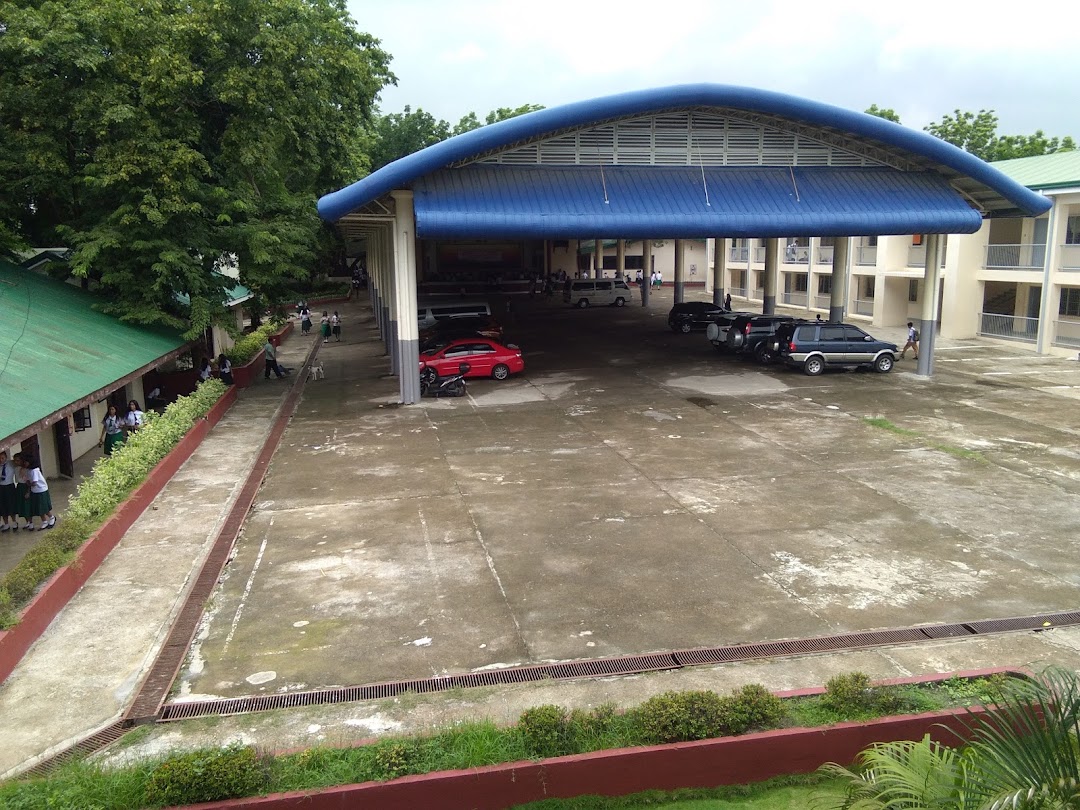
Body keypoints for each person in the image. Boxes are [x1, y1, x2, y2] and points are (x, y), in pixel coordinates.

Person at [22, 454, 55, 530]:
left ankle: (52, 517)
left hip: (41, 490)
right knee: (39, 508)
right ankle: (44, 521)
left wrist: (28, 483)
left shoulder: (34, 470)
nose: (25, 464)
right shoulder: (29, 470)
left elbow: (34, 482)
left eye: (26, 462)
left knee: (44, 507)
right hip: (35, 491)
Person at [0, 450, 17, 532]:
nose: (1, 460)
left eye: (2, 458)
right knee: (2, 505)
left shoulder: (10, 463)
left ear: (6, 457)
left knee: (11, 504)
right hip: (1, 487)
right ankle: (6, 523)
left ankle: (14, 522)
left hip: (9, 486)